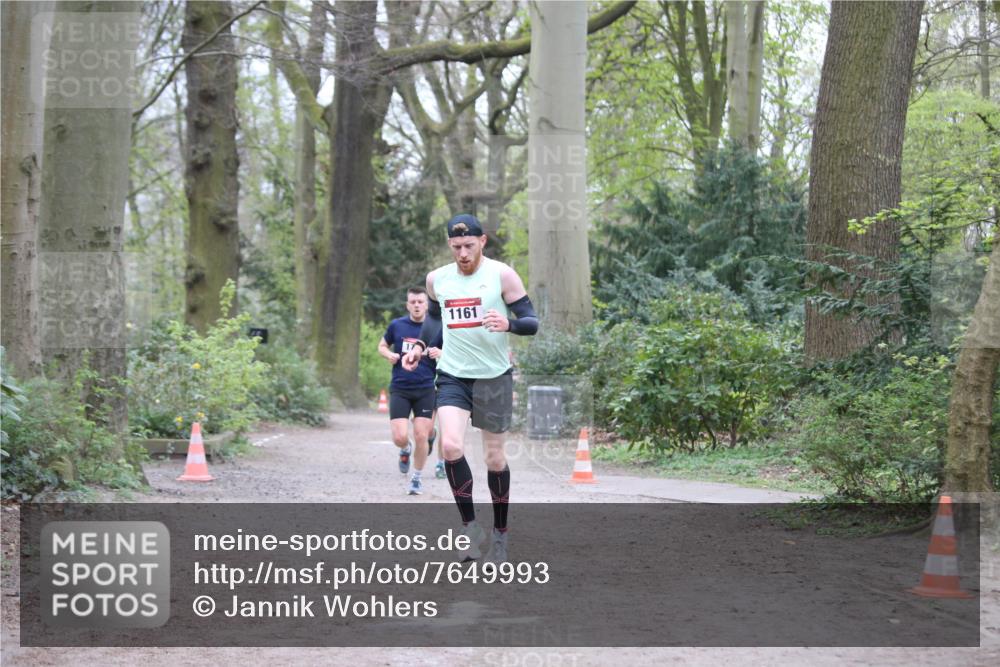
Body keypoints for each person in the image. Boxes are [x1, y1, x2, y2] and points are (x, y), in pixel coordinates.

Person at [402, 214, 539, 562]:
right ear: (449, 245)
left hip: (493, 376)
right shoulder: (437, 280)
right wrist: (420, 347)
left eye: (469, 245)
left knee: (494, 459)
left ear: (483, 241)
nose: (463, 253)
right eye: (456, 247)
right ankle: (470, 530)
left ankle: (501, 534)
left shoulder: (501, 274)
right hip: (452, 374)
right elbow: (435, 321)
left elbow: (532, 322)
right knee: (449, 446)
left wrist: (508, 323)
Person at [378, 287, 443, 495]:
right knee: (399, 436)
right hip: (400, 387)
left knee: (421, 435)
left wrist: (439, 352)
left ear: (427, 305)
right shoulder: (397, 325)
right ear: (408, 305)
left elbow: (451, 351)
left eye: (420, 302)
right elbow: (382, 345)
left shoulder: (436, 327)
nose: (416, 305)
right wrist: (388, 354)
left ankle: (416, 478)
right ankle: (405, 449)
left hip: (426, 388)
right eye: (413, 302)